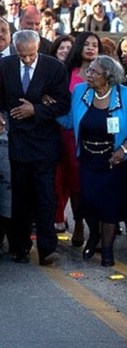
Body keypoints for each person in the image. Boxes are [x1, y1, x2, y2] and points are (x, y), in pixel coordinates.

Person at [0, 29, 70, 266]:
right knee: (21, 196)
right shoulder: (5, 65)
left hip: (44, 140)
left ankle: (47, 248)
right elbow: (2, 99)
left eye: (31, 55)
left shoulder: (54, 67)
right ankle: (20, 246)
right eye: (22, 55)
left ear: (38, 49)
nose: (26, 60)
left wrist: (36, 110)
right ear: (15, 50)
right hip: (18, 141)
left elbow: (63, 104)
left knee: (45, 195)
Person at [58, 55, 127, 267]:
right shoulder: (80, 92)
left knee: (110, 207)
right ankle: (93, 237)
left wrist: (123, 149)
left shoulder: (124, 95)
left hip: (114, 161)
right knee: (89, 203)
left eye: (94, 72)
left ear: (108, 77)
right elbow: (69, 121)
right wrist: (51, 108)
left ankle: (107, 252)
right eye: (89, 71)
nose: (88, 75)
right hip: (88, 159)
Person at [58, 32, 100, 245]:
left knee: (96, 183)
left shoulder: (105, 73)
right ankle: (79, 223)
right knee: (75, 184)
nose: (91, 48)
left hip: (98, 136)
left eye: (95, 45)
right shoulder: (68, 72)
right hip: (70, 136)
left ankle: (96, 228)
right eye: (87, 44)